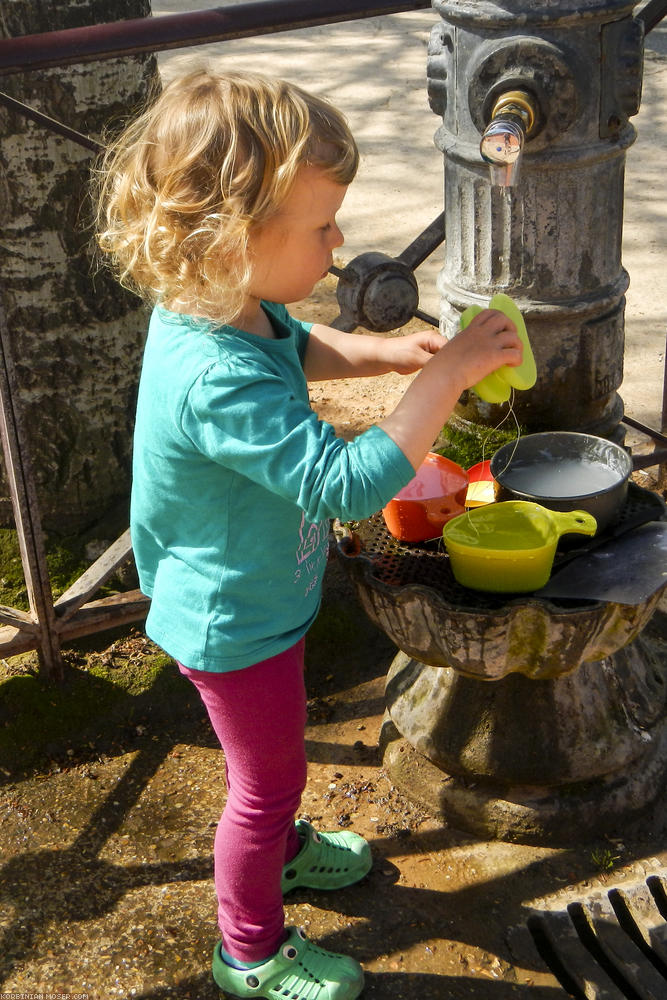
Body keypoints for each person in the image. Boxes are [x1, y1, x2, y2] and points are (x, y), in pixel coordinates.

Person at [95, 68, 521, 1000]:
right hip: (229, 621)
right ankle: (246, 949)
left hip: (256, 595)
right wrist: (439, 381)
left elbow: (296, 346)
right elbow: (345, 481)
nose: (340, 245)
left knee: (274, 769)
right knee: (262, 787)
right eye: (322, 227)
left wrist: (383, 354)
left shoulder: (225, 304)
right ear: (236, 236)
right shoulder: (212, 375)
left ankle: (284, 849)